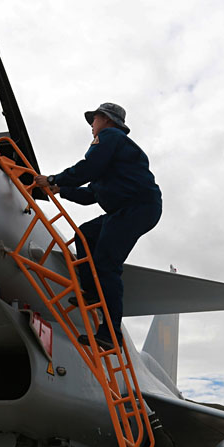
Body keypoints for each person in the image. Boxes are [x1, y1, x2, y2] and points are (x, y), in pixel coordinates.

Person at [32, 102, 161, 350]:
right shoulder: (113, 161)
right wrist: (61, 189)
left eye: (95, 119)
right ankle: (91, 292)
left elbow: (88, 168)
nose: (92, 125)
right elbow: (91, 194)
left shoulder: (109, 137)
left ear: (107, 120)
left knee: (106, 264)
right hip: (127, 209)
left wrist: (52, 179)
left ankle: (111, 334)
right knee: (84, 235)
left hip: (137, 208)